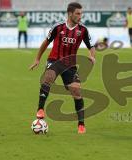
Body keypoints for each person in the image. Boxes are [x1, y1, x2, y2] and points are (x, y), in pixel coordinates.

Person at [29, 2, 95, 134]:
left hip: (70, 64)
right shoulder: (58, 27)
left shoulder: (82, 30)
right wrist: (37, 59)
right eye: (77, 13)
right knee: (48, 78)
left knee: (76, 90)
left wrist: (92, 56)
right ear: (70, 14)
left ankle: (81, 124)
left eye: (81, 13)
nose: (80, 16)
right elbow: (45, 43)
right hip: (54, 60)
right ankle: (40, 109)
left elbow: (91, 46)